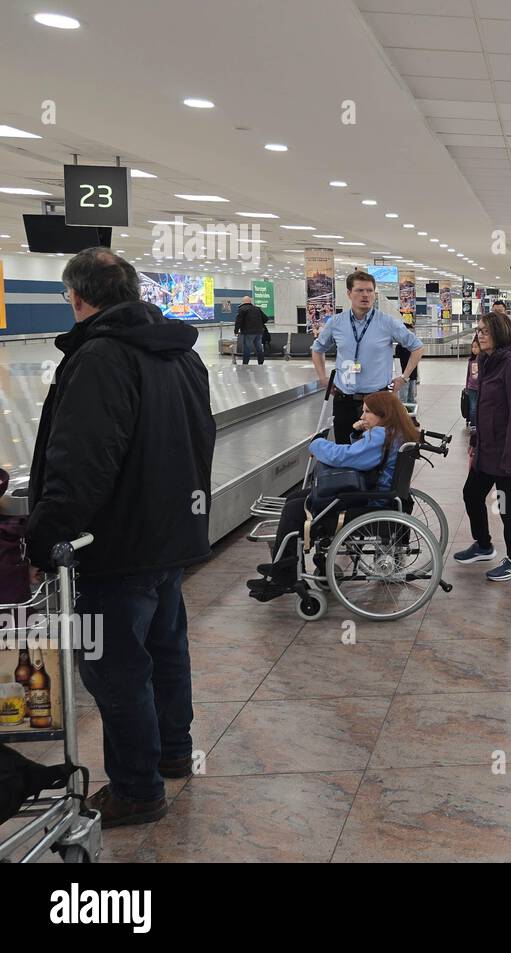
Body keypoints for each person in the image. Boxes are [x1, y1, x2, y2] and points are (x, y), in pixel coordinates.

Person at [24, 248, 215, 829]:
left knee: (115, 669)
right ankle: (173, 753)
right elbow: (202, 437)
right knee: (165, 652)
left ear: (79, 299)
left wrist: (43, 538)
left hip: (113, 548)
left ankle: (136, 789)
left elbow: (80, 464)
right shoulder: (182, 356)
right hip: (170, 536)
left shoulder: (100, 358)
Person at [247, 390, 419, 599]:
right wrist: (359, 433)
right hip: (378, 496)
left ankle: (285, 574)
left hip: (367, 503)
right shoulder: (397, 432)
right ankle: (284, 566)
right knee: (296, 498)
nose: (362, 417)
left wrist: (318, 443)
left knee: (294, 508)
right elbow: (363, 457)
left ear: (384, 415)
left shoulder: (381, 435)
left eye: (367, 412)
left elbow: (343, 457)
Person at [453, 312, 511, 580]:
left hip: (508, 451)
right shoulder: (486, 359)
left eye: (485, 331)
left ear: (499, 332)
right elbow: (484, 406)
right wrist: (476, 441)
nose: (480, 335)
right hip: (488, 446)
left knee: (506, 506)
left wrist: (510, 458)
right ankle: (484, 544)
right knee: (472, 494)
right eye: (478, 330)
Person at [312, 270, 424, 443]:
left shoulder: (387, 322)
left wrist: (404, 377)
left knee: (377, 453)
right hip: (345, 400)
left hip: (377, 401)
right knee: (345, 448)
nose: (365, 295)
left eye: (370, 290)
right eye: (359, 290)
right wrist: (322, 377)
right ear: (349, 293)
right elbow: (317, 349)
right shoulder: (336, 322)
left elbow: (417, 347)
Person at [233, 294, 268, 365]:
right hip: (259, 331)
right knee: (259, 348)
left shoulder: (242, 309)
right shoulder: (257, 308)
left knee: (247, 348)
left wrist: (236, 331)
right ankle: (261, 363)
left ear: (243, 302)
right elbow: (266, 318)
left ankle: (245, 364)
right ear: (250, 301)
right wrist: (259, 324)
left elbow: (238, 321)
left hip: (248, 332)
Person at [464, 332, 482, 429]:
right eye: (473, 347)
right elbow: (468, 374)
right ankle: (473, 425)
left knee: (480, 406)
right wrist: (466, 386)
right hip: (472, 387)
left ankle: (480, 423)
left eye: (476, 347)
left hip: (481, 387)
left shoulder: (483, 360)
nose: (474, 349)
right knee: (473, 407)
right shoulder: (471, 360)